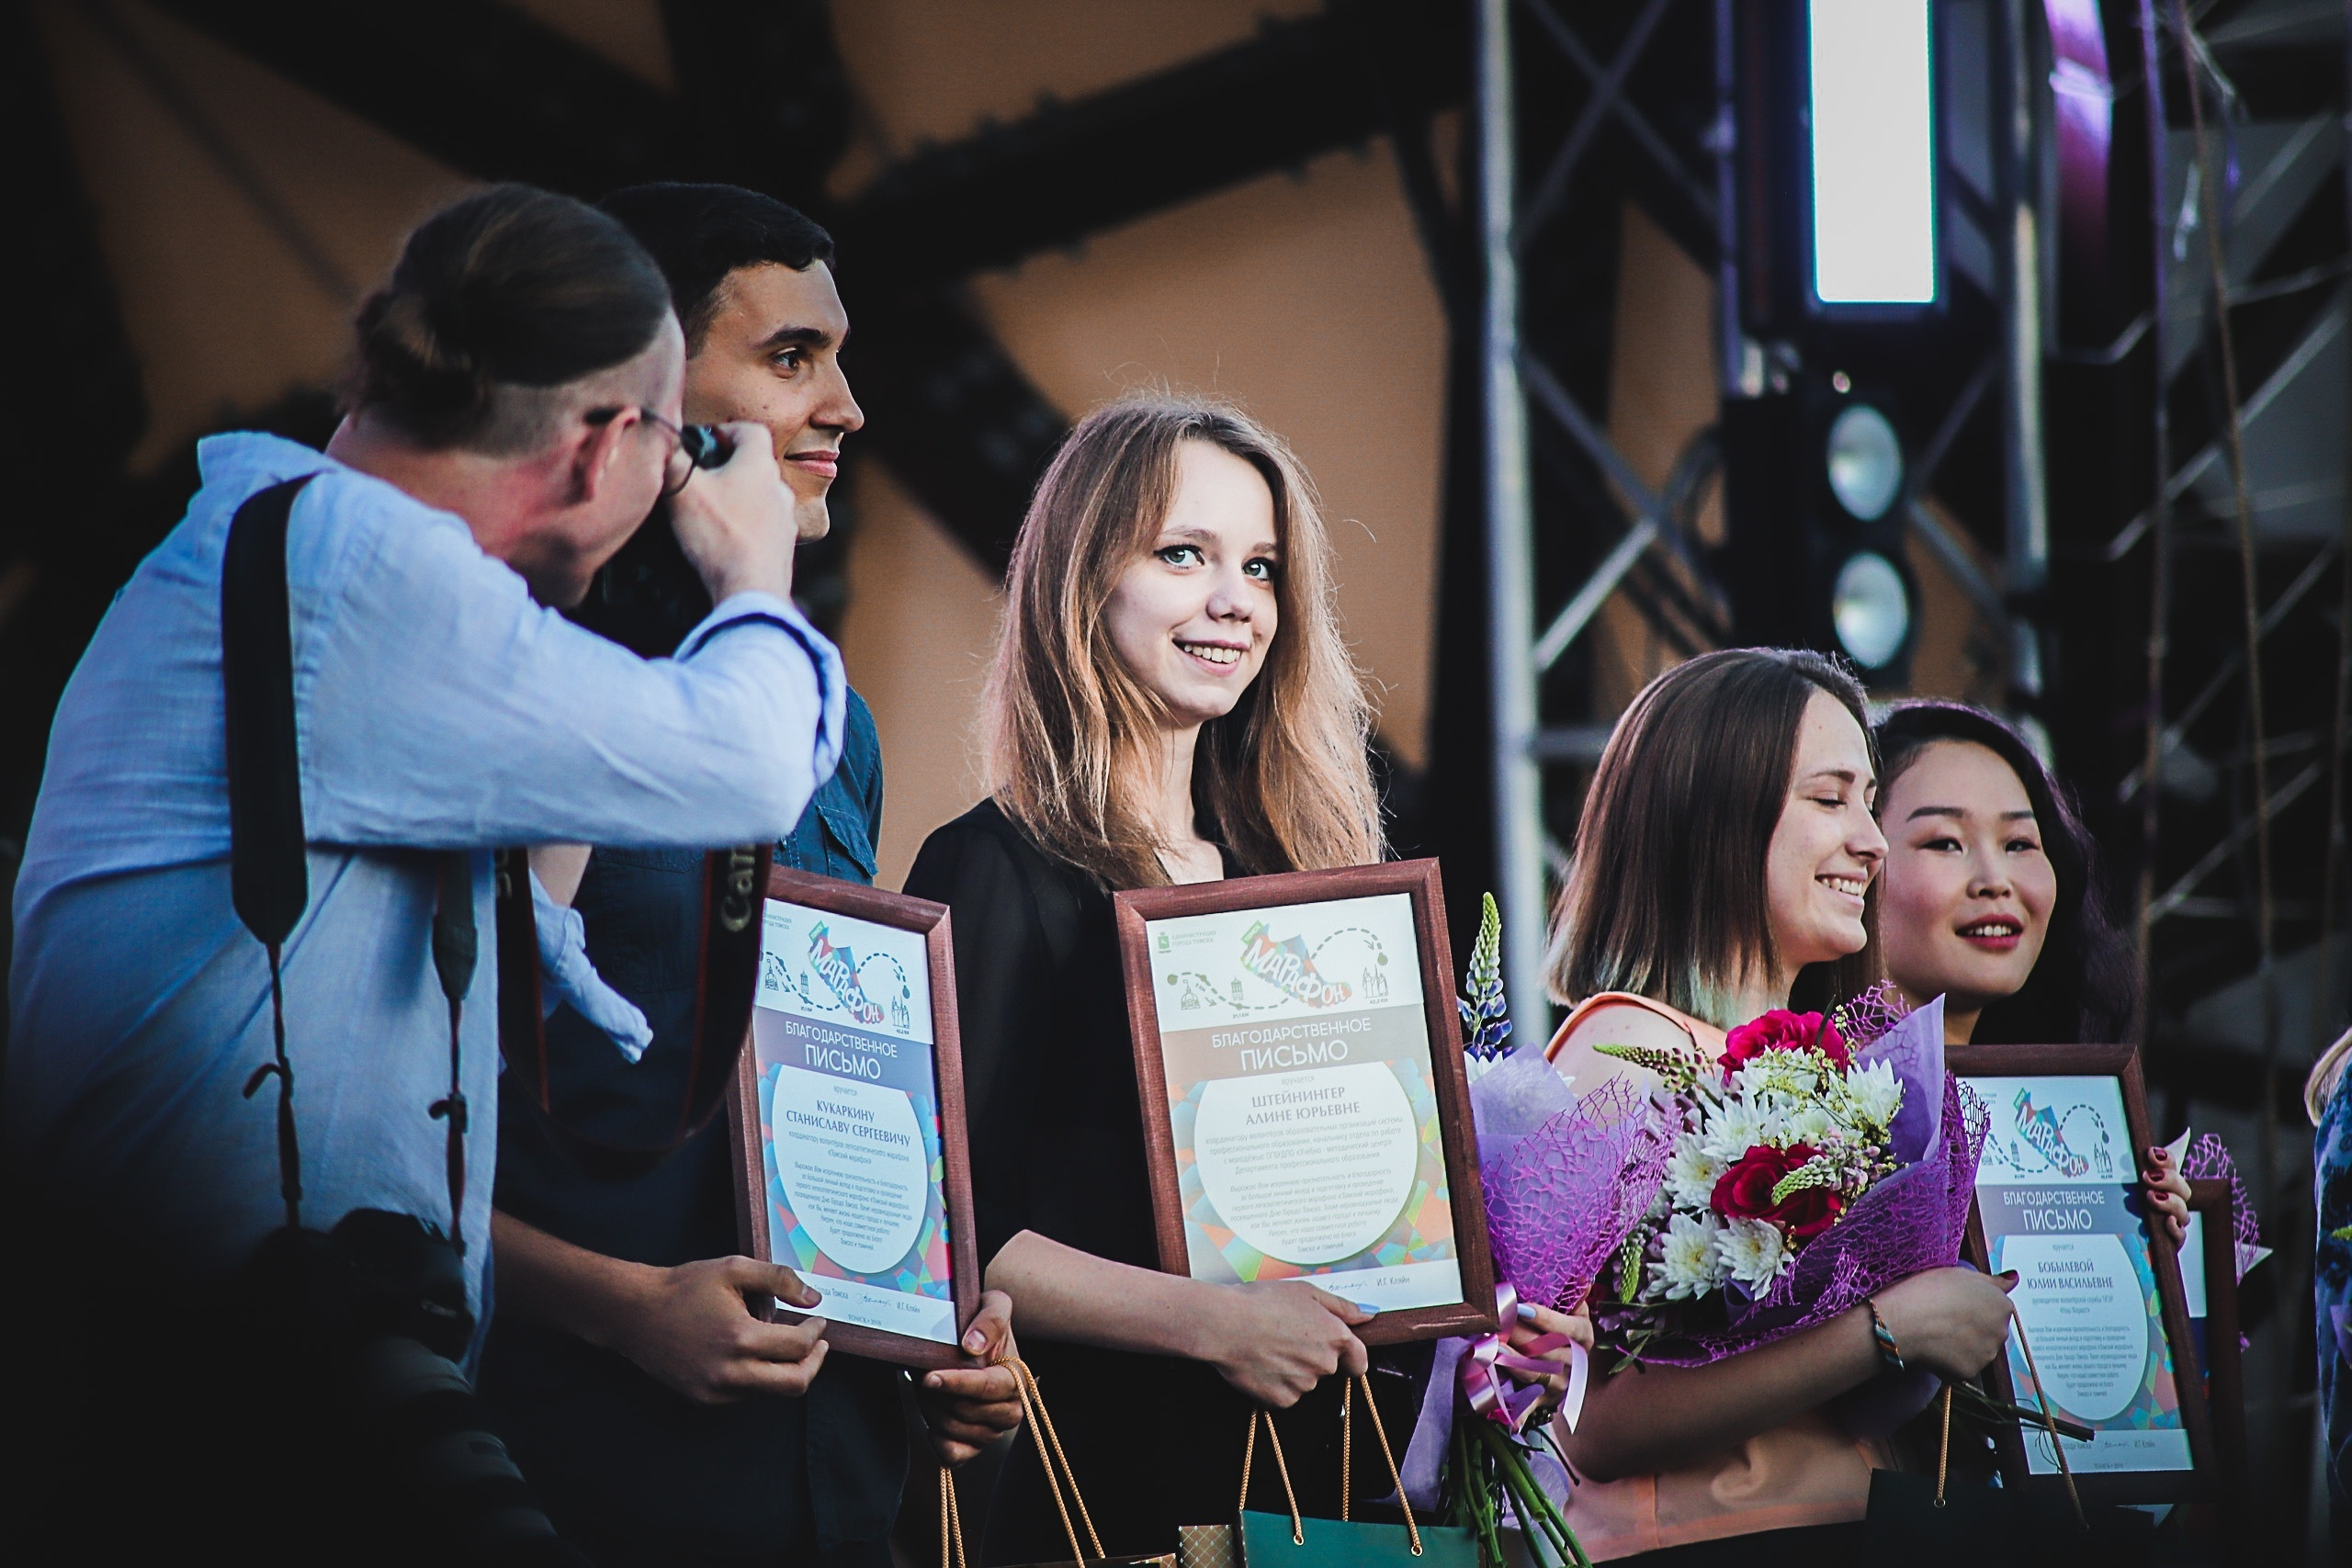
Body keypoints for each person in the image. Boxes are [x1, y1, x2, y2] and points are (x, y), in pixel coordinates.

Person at [5, 184, 843, 1550]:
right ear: (596, 447)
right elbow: (751, 761)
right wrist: (752, 574)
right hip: (214, 1390)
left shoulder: (287, 549)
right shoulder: (356, 570)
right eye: (672, 449)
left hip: (264, 1366)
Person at [903, 397, 1580, 1563]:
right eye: (1184, 555)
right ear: (1082, 579)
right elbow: (960, 1226)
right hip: (1111, 1493)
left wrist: (1471, 1319)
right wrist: (1218, 1323)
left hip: (1332, 1486)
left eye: (1260, 567)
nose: (1234, 601)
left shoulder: (1298, 880)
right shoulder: (997, 866)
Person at [476, 183, 1021, 1568]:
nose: (847, 406)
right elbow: (383, 1142)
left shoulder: (838, 732)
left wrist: (933, 1319)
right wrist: (624, 1306)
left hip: (831, 1487)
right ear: (645, 394)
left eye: (839, 358)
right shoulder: (518, 687)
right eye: (791, 358)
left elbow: (829, 1069)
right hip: (574, 1472)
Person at [1543, 650, 2017, 1564]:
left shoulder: (1842, 1068)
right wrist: (1888, 1331)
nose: (1872, 843)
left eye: (1867, 802)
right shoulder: (1620, 1053)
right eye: (1830, 798)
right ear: (1715, 812)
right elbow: (1593, 1423)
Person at [1871, 700, 2188, 1247]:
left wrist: (2144, 1248)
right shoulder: (1790, 1114)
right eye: (1945, 842)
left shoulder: (2070, 1110)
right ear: (1853, 863)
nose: (1995, 880)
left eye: (2019, 844)